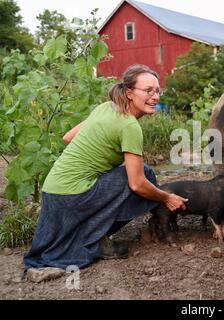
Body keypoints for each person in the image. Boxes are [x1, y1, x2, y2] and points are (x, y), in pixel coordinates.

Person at [23, 64, 188, 270]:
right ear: (129, 93)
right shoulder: (129, 126)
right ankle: (94, 239)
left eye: (157, 91)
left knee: (131, 175)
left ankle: (91, 233)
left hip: (53, 192)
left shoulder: (106, 107)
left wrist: (101, 157)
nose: (155, 96)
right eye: (148, 91)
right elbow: (137, 184)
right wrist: (167, 197)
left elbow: (67, 138)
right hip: (72, 197)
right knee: (143, 175)